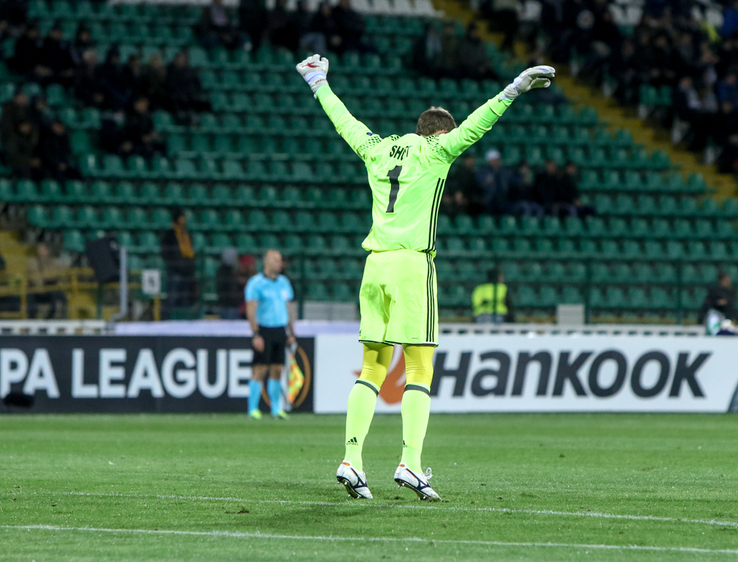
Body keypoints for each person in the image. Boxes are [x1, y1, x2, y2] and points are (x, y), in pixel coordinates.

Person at [296, 53, 554, 500]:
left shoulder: (377, 148)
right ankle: (410, 464)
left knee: (372, 367)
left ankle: (351, 459)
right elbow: (477, 125)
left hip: (374, 265)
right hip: (412, 266)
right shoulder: (437, 151)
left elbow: (344, 121)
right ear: (441, 133)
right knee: (419, 366)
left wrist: (318, 83)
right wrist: (513, 89)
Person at [245, 249, 297, 420]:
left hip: (280, 330)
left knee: (277, 369)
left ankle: (276, 408)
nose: (279, 264)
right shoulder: (256, 283)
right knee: (260, 369)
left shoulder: (284, 282)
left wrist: (291, 331)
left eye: (280, 260)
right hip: (264, 330)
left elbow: (288, 308)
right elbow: (251, 310)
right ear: (266, 262)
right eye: (275, 260)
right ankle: (253, 408)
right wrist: (255, 334)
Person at [160, 208, 197, 315]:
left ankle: (182, 319)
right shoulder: (170, 234)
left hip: (187, 271)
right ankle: (166, 318)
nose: (184, 219)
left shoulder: (186, 233)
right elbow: (166, 252)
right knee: (172, 297)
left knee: (184, 298)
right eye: (182, 217)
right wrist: (175, 264)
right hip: (175, 270)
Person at [26, 242, 67, 319]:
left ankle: (53, 317)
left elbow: (58, 275)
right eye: (39, 249)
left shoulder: (54, 261)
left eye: (43, 249)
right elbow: (34, 276)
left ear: (48, 250)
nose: (40, 251)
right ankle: (31, 319)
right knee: (30, 295)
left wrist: (47, 277)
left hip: (50, 287)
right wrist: (41, 285)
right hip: (37, 288)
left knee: (60, 295)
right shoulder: (33, 261)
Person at [475, 149, 514, 215]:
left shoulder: (504, 171)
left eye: (497, 159)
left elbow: (511, 182)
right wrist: (486, 182)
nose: (497, 161)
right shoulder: (483, 171)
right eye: (495, 159)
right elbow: (479, 185)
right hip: (489, 199)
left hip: (503, 198)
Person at [216, 248, 244, 319]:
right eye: (235, 257)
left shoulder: (224, 271)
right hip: (230, 306)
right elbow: (232, 289)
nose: (237, 259)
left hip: (227, 305)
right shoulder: (226, 273)